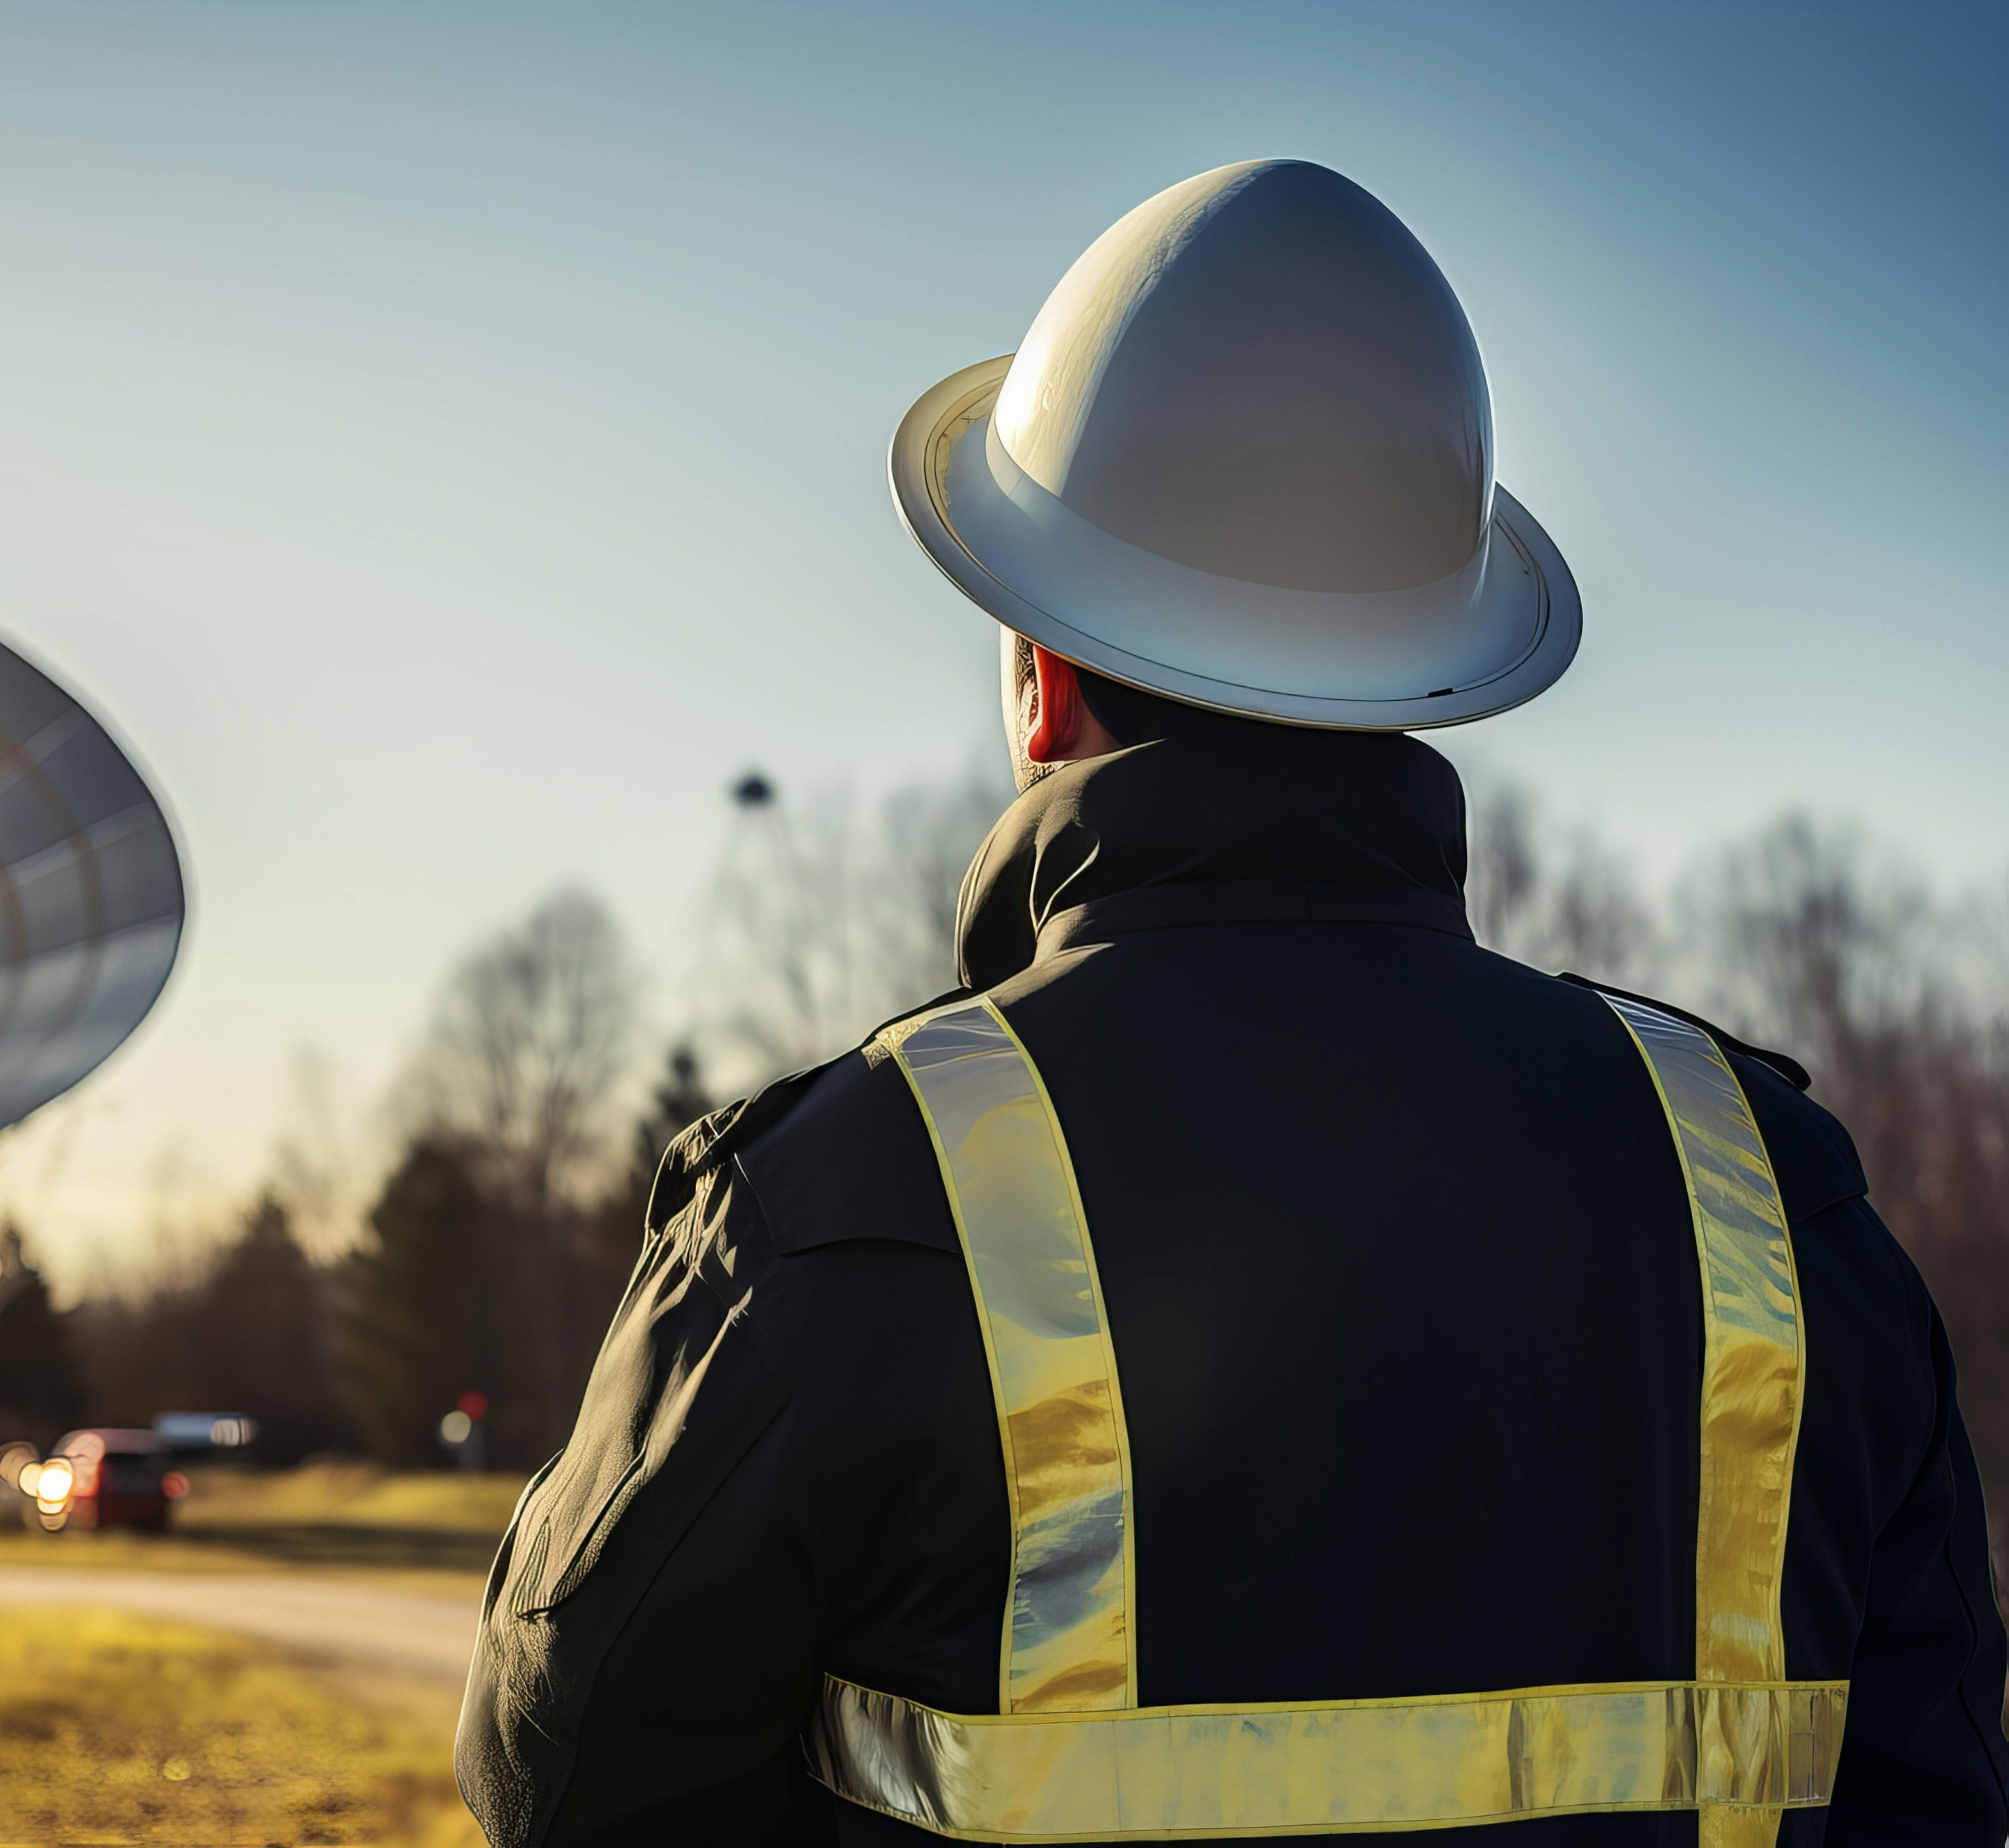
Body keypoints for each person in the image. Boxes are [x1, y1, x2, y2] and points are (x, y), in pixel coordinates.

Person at [456, 159, 2006, 1846]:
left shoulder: (849, 1202)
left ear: (1039, 679)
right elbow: (1931, 1787)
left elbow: (575, 1780)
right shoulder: (1775, 1196)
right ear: (1434, 670)